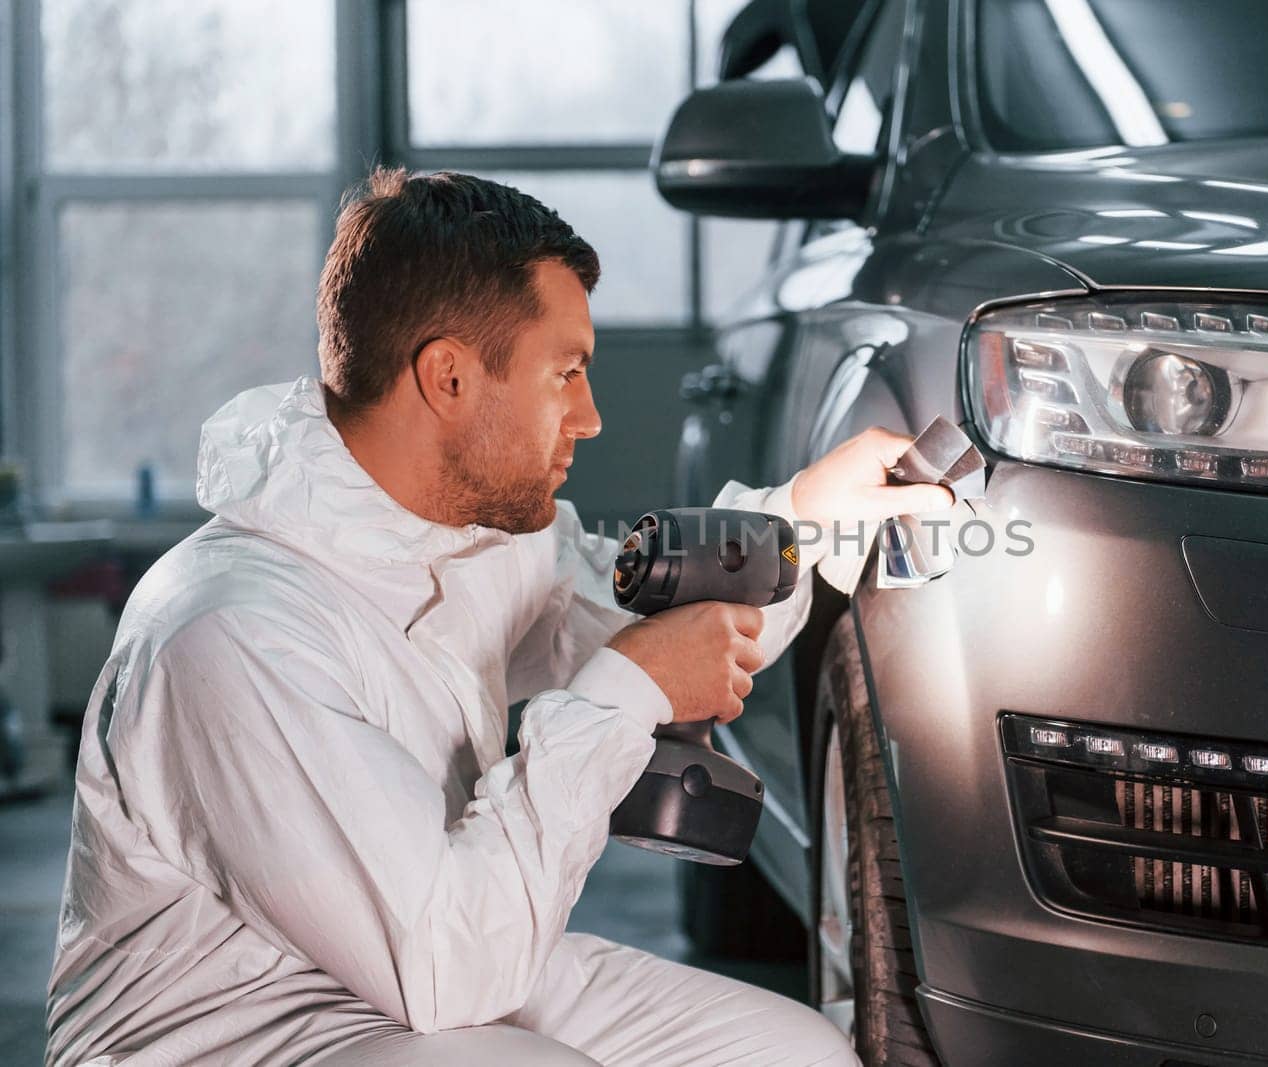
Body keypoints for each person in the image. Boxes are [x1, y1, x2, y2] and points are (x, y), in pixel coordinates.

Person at [45, 169, 953, 1066]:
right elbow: (450, 971)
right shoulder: (233, 634)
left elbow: (643, 619)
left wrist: (810, 515)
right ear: (447, 377)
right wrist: (626, 689)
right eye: (566, 373)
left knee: (797, 1052)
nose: (591, 416)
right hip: (233, 1023)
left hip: (435, 950)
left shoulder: (475, 534)